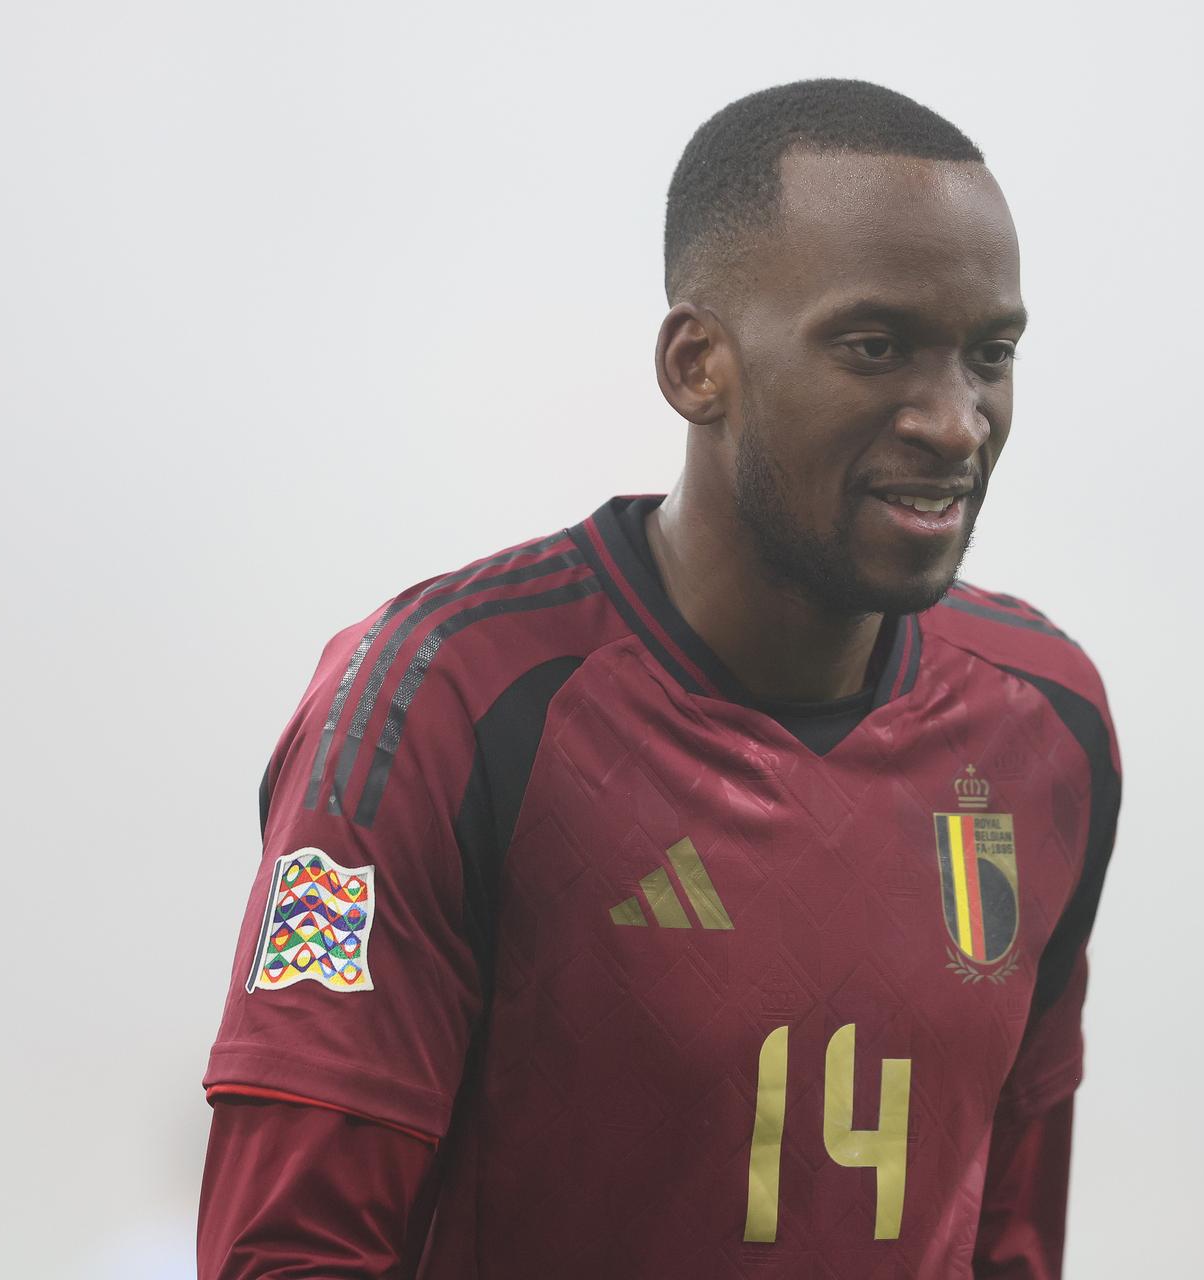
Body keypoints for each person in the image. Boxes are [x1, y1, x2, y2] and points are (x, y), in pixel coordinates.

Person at [198, 78, 1121, 1278]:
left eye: (989, 355)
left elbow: (1010, 1234)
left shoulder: (1044, 722)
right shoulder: (440, 705)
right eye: (875, 347)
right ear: (697, 365)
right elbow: (288, 1254)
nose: (956, 422)